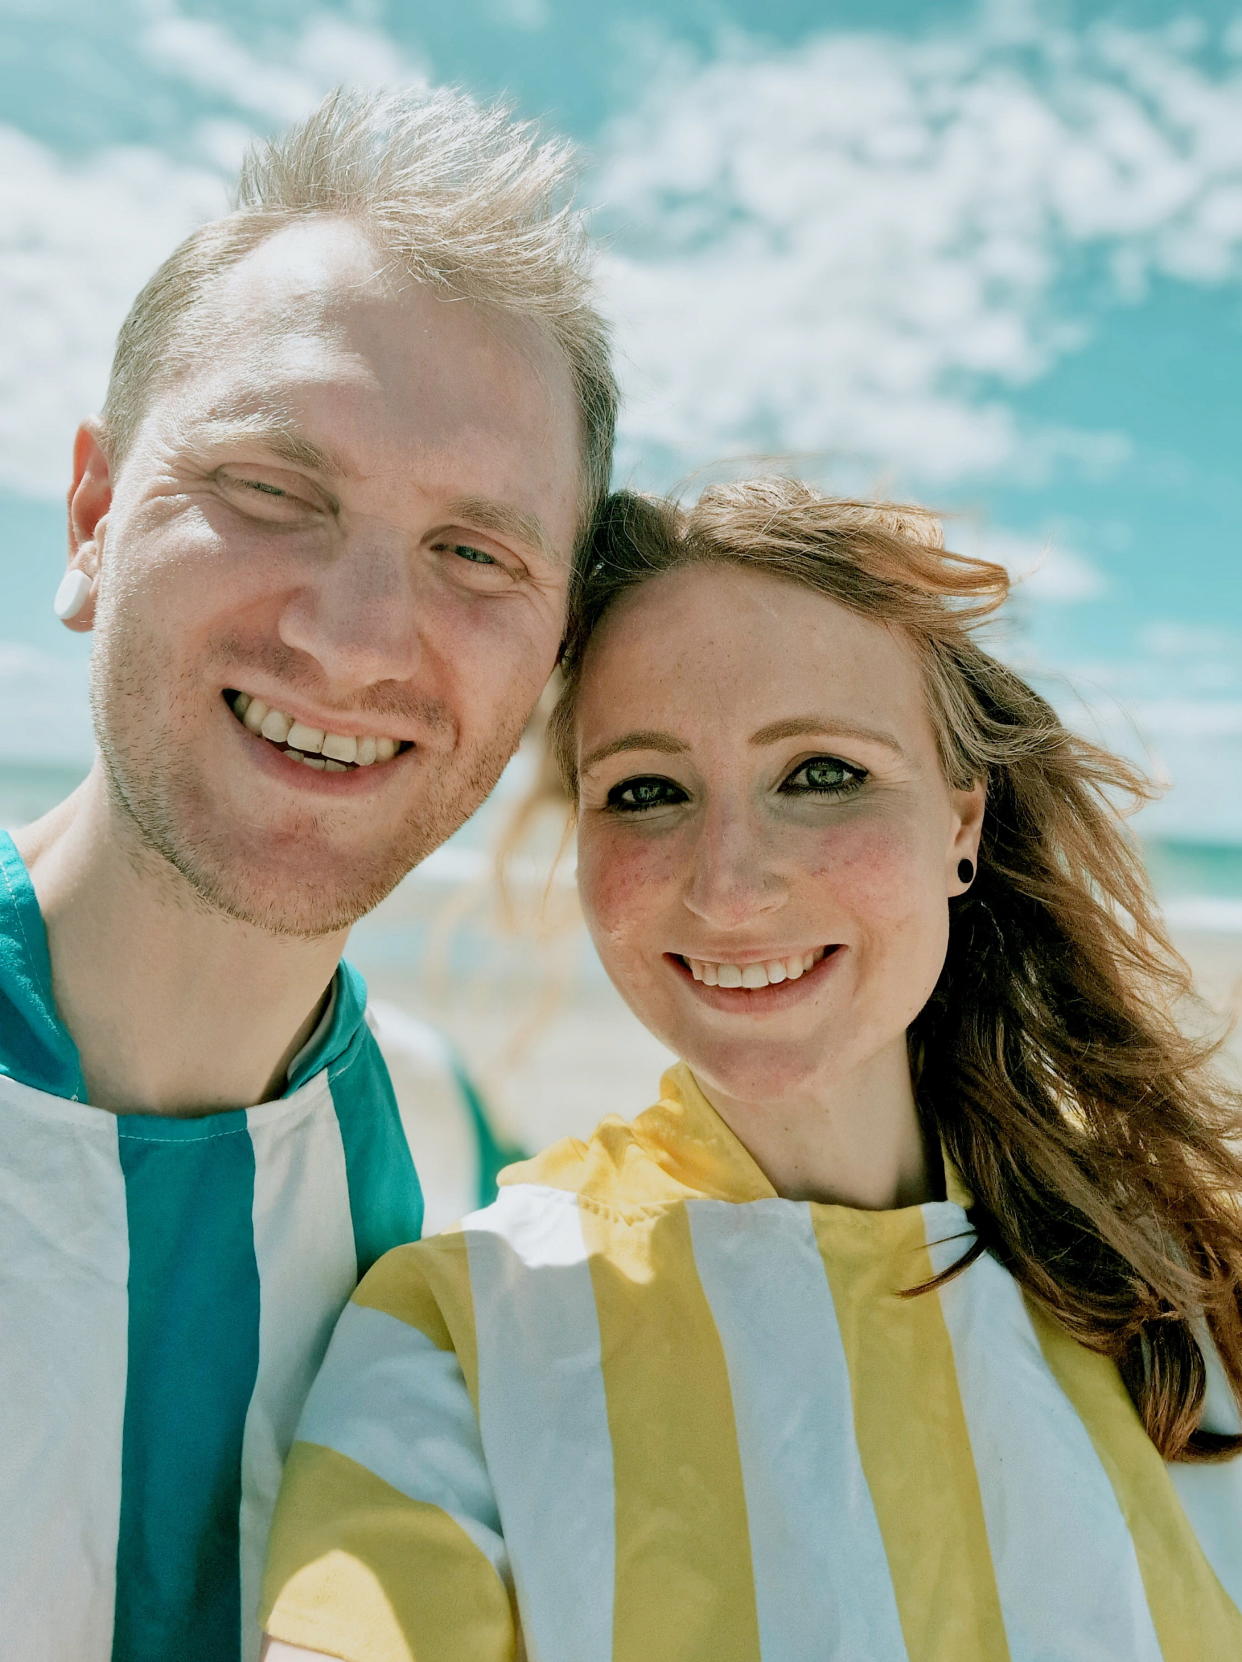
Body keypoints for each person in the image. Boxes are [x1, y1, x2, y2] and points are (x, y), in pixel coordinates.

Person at [261, 479, 1242, 1662]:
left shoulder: (1180, 1279)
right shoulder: (466, 1331)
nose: (728, 887)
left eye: (821, 773)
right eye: (646, 790)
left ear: (961, 827)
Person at [0, 85, 615, 1662]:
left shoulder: (454, 1164)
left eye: (476, 554)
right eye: (271, 489)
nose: (349, 639)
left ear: (549, 653)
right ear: (91, 516)